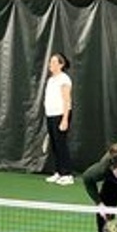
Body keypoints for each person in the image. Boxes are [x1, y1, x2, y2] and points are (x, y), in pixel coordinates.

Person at [42, 52, 74, 185]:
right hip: (51, 115)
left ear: (61, 65)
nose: (51, 64)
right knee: (54, 145)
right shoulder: (51, 80)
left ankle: (67, 174)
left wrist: (65, 119)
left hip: (61, 115)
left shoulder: (64, 79)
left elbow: (67, 100)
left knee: (61, 144)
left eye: (54, 62)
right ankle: (58, 172)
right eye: (51, 61)